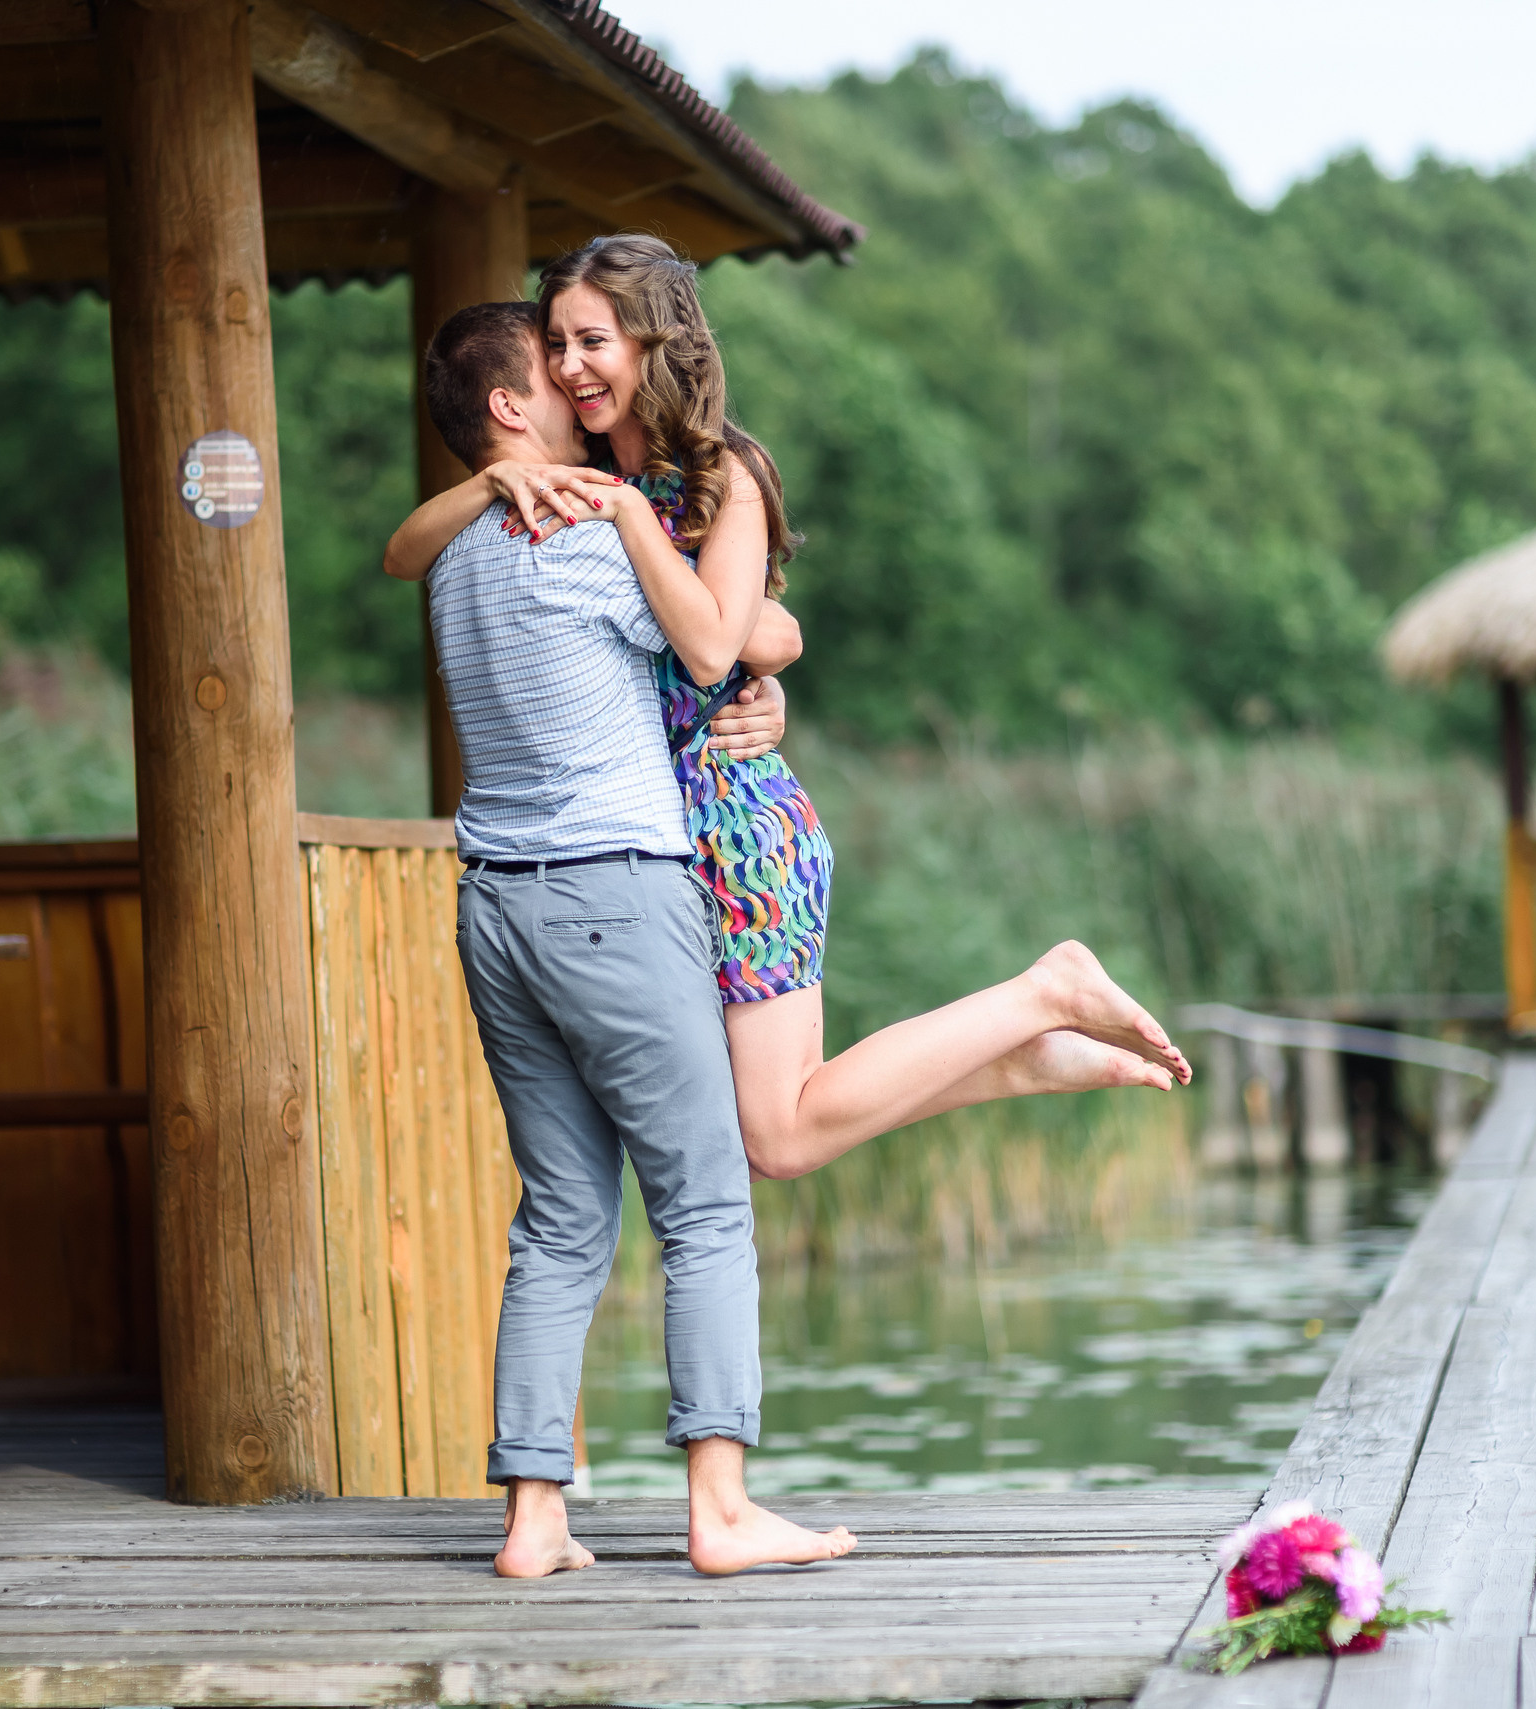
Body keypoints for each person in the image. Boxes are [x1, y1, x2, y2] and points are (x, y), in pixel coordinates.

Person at [387, 236, 1190, 1189]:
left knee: (775, 1138)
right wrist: (487, 480)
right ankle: (1015, 1055)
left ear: (654, 340)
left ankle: (1042, 991)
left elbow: (730, 640)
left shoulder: (716, 474)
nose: (568, 365)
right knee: (757, 1128)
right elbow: (406, 555)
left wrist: (760, 642)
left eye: (591, 339)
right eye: (555, 344)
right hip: (651, 841)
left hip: (733, 826)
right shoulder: (574, 471)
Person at [414, 299, 856, 1580]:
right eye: (549, 367)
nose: (572, 378)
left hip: (492, 901)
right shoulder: (593, 537)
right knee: (707, 1203)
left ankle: (534, 1518)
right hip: (613, 889)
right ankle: (720, 1507)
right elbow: (742, 632)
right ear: (511, 411)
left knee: (559, 1215)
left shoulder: (457, 557)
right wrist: (759, 645)